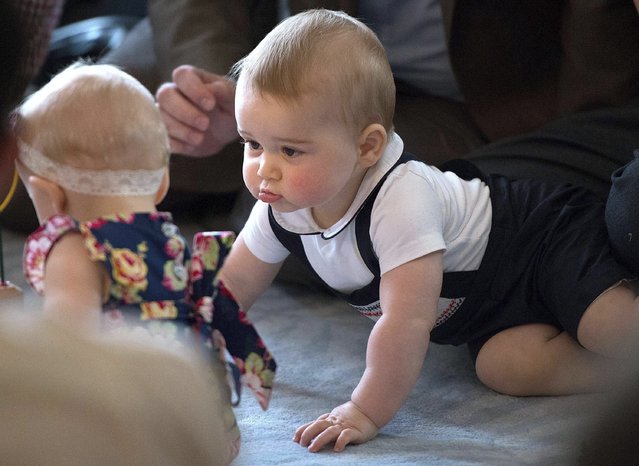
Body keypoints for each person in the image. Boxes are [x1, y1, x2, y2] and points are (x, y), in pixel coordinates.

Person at [211, 9, 639, 453]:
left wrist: (364, 409)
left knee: (607, 327)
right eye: (253, 143)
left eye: (290, 150)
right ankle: (625, 382)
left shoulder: (400, 197)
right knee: (509, 368)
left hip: (540, 237)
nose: (265, 169)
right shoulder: (280, 207)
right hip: (486, 303)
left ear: (367, 146)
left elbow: (407, 320)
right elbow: (236, 283)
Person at [0, 4, 235, 465]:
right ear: (163, 185)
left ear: (51, 196)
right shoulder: (170, 239)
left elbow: (70, 348)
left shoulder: (72, 248)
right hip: (200, 416)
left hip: (127, 421)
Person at [151, 0, 639, 220]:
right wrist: (236, 96)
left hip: (475, 97)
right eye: (253, 144)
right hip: (276, 55)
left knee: (329, 222)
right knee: (108, 123)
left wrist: (580, 153)